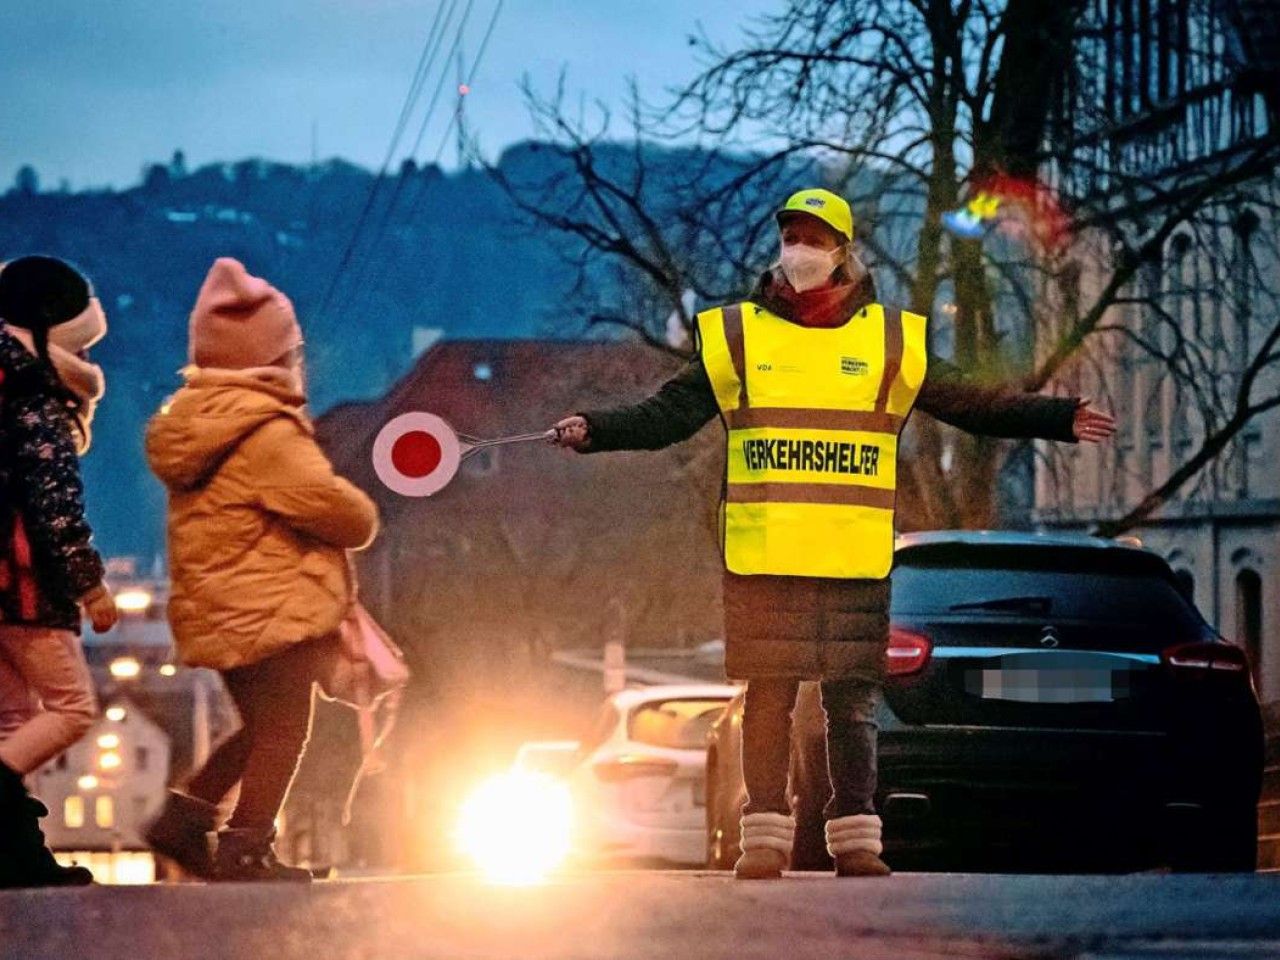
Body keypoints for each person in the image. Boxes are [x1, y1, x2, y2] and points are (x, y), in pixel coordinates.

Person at [553, 189, 1117, 879]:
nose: (800, 250)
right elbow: (666, 415)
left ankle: (856, 841)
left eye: (814, 238)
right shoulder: (738, 337)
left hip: (851, 557)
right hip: (766, 557)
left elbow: (974, 402)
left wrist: (1055, 418)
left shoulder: (889, 339)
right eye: (791, 235)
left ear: (842, 251)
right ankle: (765, 837)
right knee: (768, 700)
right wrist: (596, 428)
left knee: (852, 703)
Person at [144, 258, 378, 882]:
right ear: (275, 358)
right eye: (293, 350)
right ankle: (246, 845)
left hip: (225, 609)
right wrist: (362, 512)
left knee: (261, 725)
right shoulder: (265, 431)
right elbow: (328, 506)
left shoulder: (203, 425)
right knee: (285, 731)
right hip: (271, 608)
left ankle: (186, 819)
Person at [0, 255, 119, 888]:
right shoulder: (36, 399)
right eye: (85, 344)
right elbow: (53, 505)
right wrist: (89, 584)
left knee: (12, 723)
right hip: (21, 588)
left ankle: (15, 856)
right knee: (72, 709)